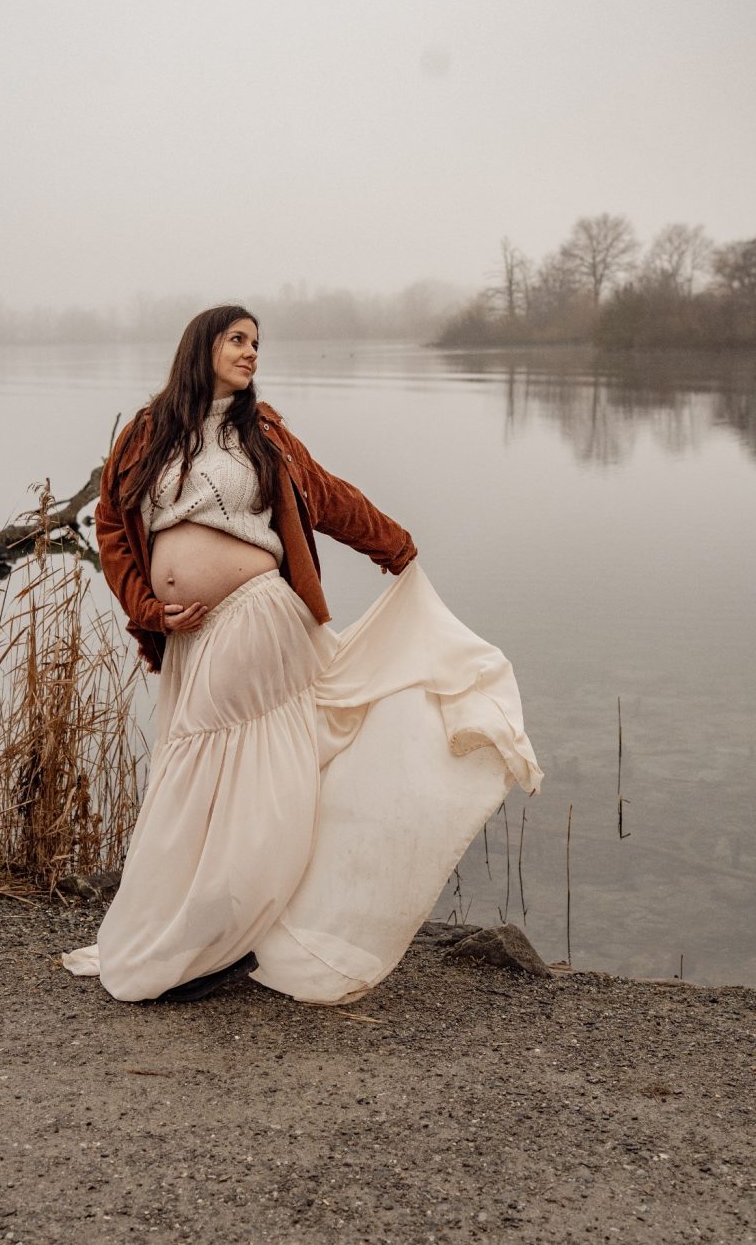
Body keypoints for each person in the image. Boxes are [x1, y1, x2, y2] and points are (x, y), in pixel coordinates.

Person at [62, 305, 541, 1004]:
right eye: (237, 340)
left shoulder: (262, 432)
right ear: (201, 346)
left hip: (256, 619)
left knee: (223, 778)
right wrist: (146, 607)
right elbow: (111, 522)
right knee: (199, 780)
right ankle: (206, 931)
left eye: (257, 342)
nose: (252, 352)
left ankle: (215, 933)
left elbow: (326, 498)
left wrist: (395, 546)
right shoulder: (148, 430)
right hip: (189, 635)